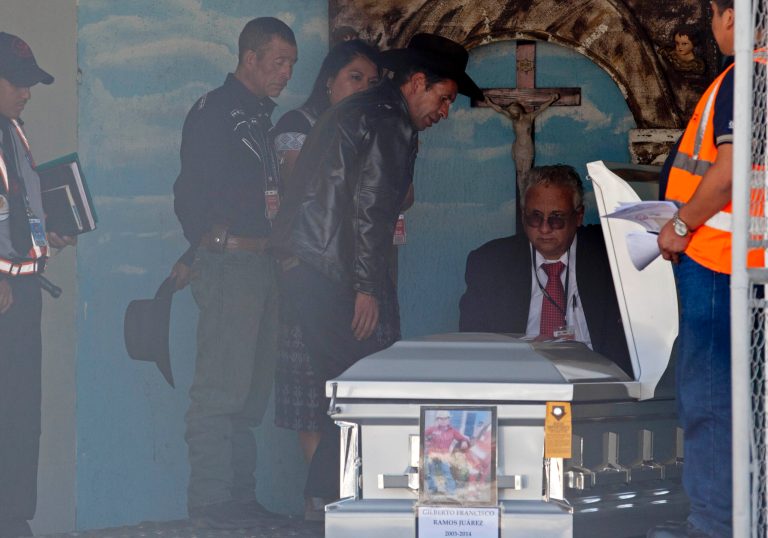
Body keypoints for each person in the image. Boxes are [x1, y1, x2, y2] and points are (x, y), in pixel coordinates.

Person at [271, 32, 483, 510]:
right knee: (360, 391)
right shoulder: (389, 121)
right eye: (444, 98)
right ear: (417, 82)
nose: (445, 111)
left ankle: (329, 502)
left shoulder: (363, 108)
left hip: (307, 265)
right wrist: (367, 288)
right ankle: (337, 505)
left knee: (346, 393)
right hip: (329, 271)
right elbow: (372, 209)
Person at [170, 17, 297, 529]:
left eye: (292, 63)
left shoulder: (261, 116)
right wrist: (209, 241)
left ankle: (238, 500)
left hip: (264, 261)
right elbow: (189, 191)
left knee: (249, 393)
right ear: (250, 57)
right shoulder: (214, 111)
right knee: (220, 392)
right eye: (279, 61)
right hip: (232, 262)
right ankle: (210, 506)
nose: (287, 73)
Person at [270, 39, 395, 519]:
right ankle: (322, 503)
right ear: (328, 80)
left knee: (363, 388)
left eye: (371, 81)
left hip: (361, 276)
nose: (363, 88)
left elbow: (394, 198)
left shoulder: (374, 128)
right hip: (314, 279)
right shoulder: (300, 127)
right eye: (354, 78)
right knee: (315, 394)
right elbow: (312, 189)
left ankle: (353, 500)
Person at [651, 1, 761, 536]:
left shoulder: (748, 76)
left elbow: (727, 173)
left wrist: (679, 225)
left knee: (712, 399)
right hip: (749, 264)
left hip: (720, 262)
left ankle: (715, 524)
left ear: (730, 15)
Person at [0, 32, 76, 538]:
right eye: (18, 82)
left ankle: (12, 515)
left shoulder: (12, 131)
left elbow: (16, 209)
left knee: (22, 411)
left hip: (22, 292)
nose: (27, 92)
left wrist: (44, 235)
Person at [459, 164, 632, 376]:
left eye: (557, 218)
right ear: (523, 216)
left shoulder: (610, 256)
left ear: (579, 217)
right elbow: (473, 341)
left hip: (596, 383)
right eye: (535, 217)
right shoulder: (491, 263)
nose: (544, 228)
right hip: (520, 382)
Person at [424, 410, 469, 497]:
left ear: (449, 420)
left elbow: (463, 438)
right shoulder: (432, 429)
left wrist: (464, 441)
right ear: (437, 420)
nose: (443, 421)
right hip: (432, 454)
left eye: (445, 419)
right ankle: (433, 489)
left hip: (444, 455)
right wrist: (427, 443)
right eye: (441, 418)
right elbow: (422, 435)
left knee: (447, 473)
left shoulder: (453, 431)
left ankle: (451, 492)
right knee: (429, 473)